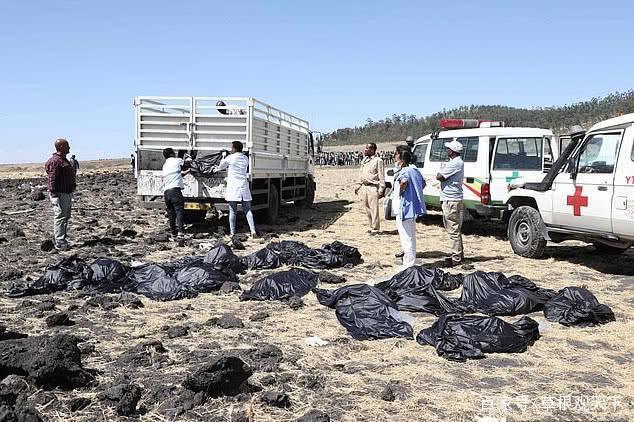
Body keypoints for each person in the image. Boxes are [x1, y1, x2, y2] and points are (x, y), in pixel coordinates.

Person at [216, 141, 257, 238]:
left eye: (232, 148)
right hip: (243, 186)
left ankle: (233, 232)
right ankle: (253, 230)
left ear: (234, 148)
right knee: (247, 210)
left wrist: (223, 156)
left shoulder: (230, 158)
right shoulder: (246, 158)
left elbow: (221, 166)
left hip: (233, 187)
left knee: (232, 211)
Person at [394, 148, 426, 269]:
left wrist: (402, 192)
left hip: (405, 206)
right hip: (412, 206)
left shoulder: (405, 171)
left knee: (406, 236)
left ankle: (408, 264)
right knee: (410, 235)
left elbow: (403, 182)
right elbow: (422, 184)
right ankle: (409, 261)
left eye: (396, 155)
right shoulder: (415, 170)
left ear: (401, 160)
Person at [436, 140, 465, 266]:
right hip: (455, 198)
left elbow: (440, 176)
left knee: (452, 229)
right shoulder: (458, 162)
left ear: (452, 151)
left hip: (450, 199)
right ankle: (458, 253)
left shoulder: (454, 163)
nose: (446, 150)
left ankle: (456, 257)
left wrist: (439, 173)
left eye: (448, 149)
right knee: (455, 228)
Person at [45, 139, 77, 251]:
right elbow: (52, 179)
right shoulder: (55, 162)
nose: (69, 147)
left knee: (65, 217)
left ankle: (63, 238)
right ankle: (59, 241)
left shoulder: (64, 160)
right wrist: (53, 196)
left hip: (67, 193)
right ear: (61, 147)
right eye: (67, 145)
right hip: (60, 194)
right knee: (60, 217)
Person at [355, 143, 385, 234]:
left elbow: (381, 176)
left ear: (372, 150)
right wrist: (358, 185)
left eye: (367, 148)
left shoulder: (378, 161)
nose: (365, 150)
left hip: (373, 187)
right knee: (367, 209)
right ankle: (371, 226)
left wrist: (381, 189)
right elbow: (361, 174)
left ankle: (375, 228)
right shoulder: (364, 160)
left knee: (374, 209)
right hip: (364, 187)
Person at [162, 148, 190, 238]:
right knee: (179, 211)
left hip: (167, 193)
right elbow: (187, 163)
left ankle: (173, 232)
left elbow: (175, 174)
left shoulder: (165, 165)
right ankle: (181, 232)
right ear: (171, 154)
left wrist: (185, 173)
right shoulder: (176, 160)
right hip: (175, 191)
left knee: (171, 213)